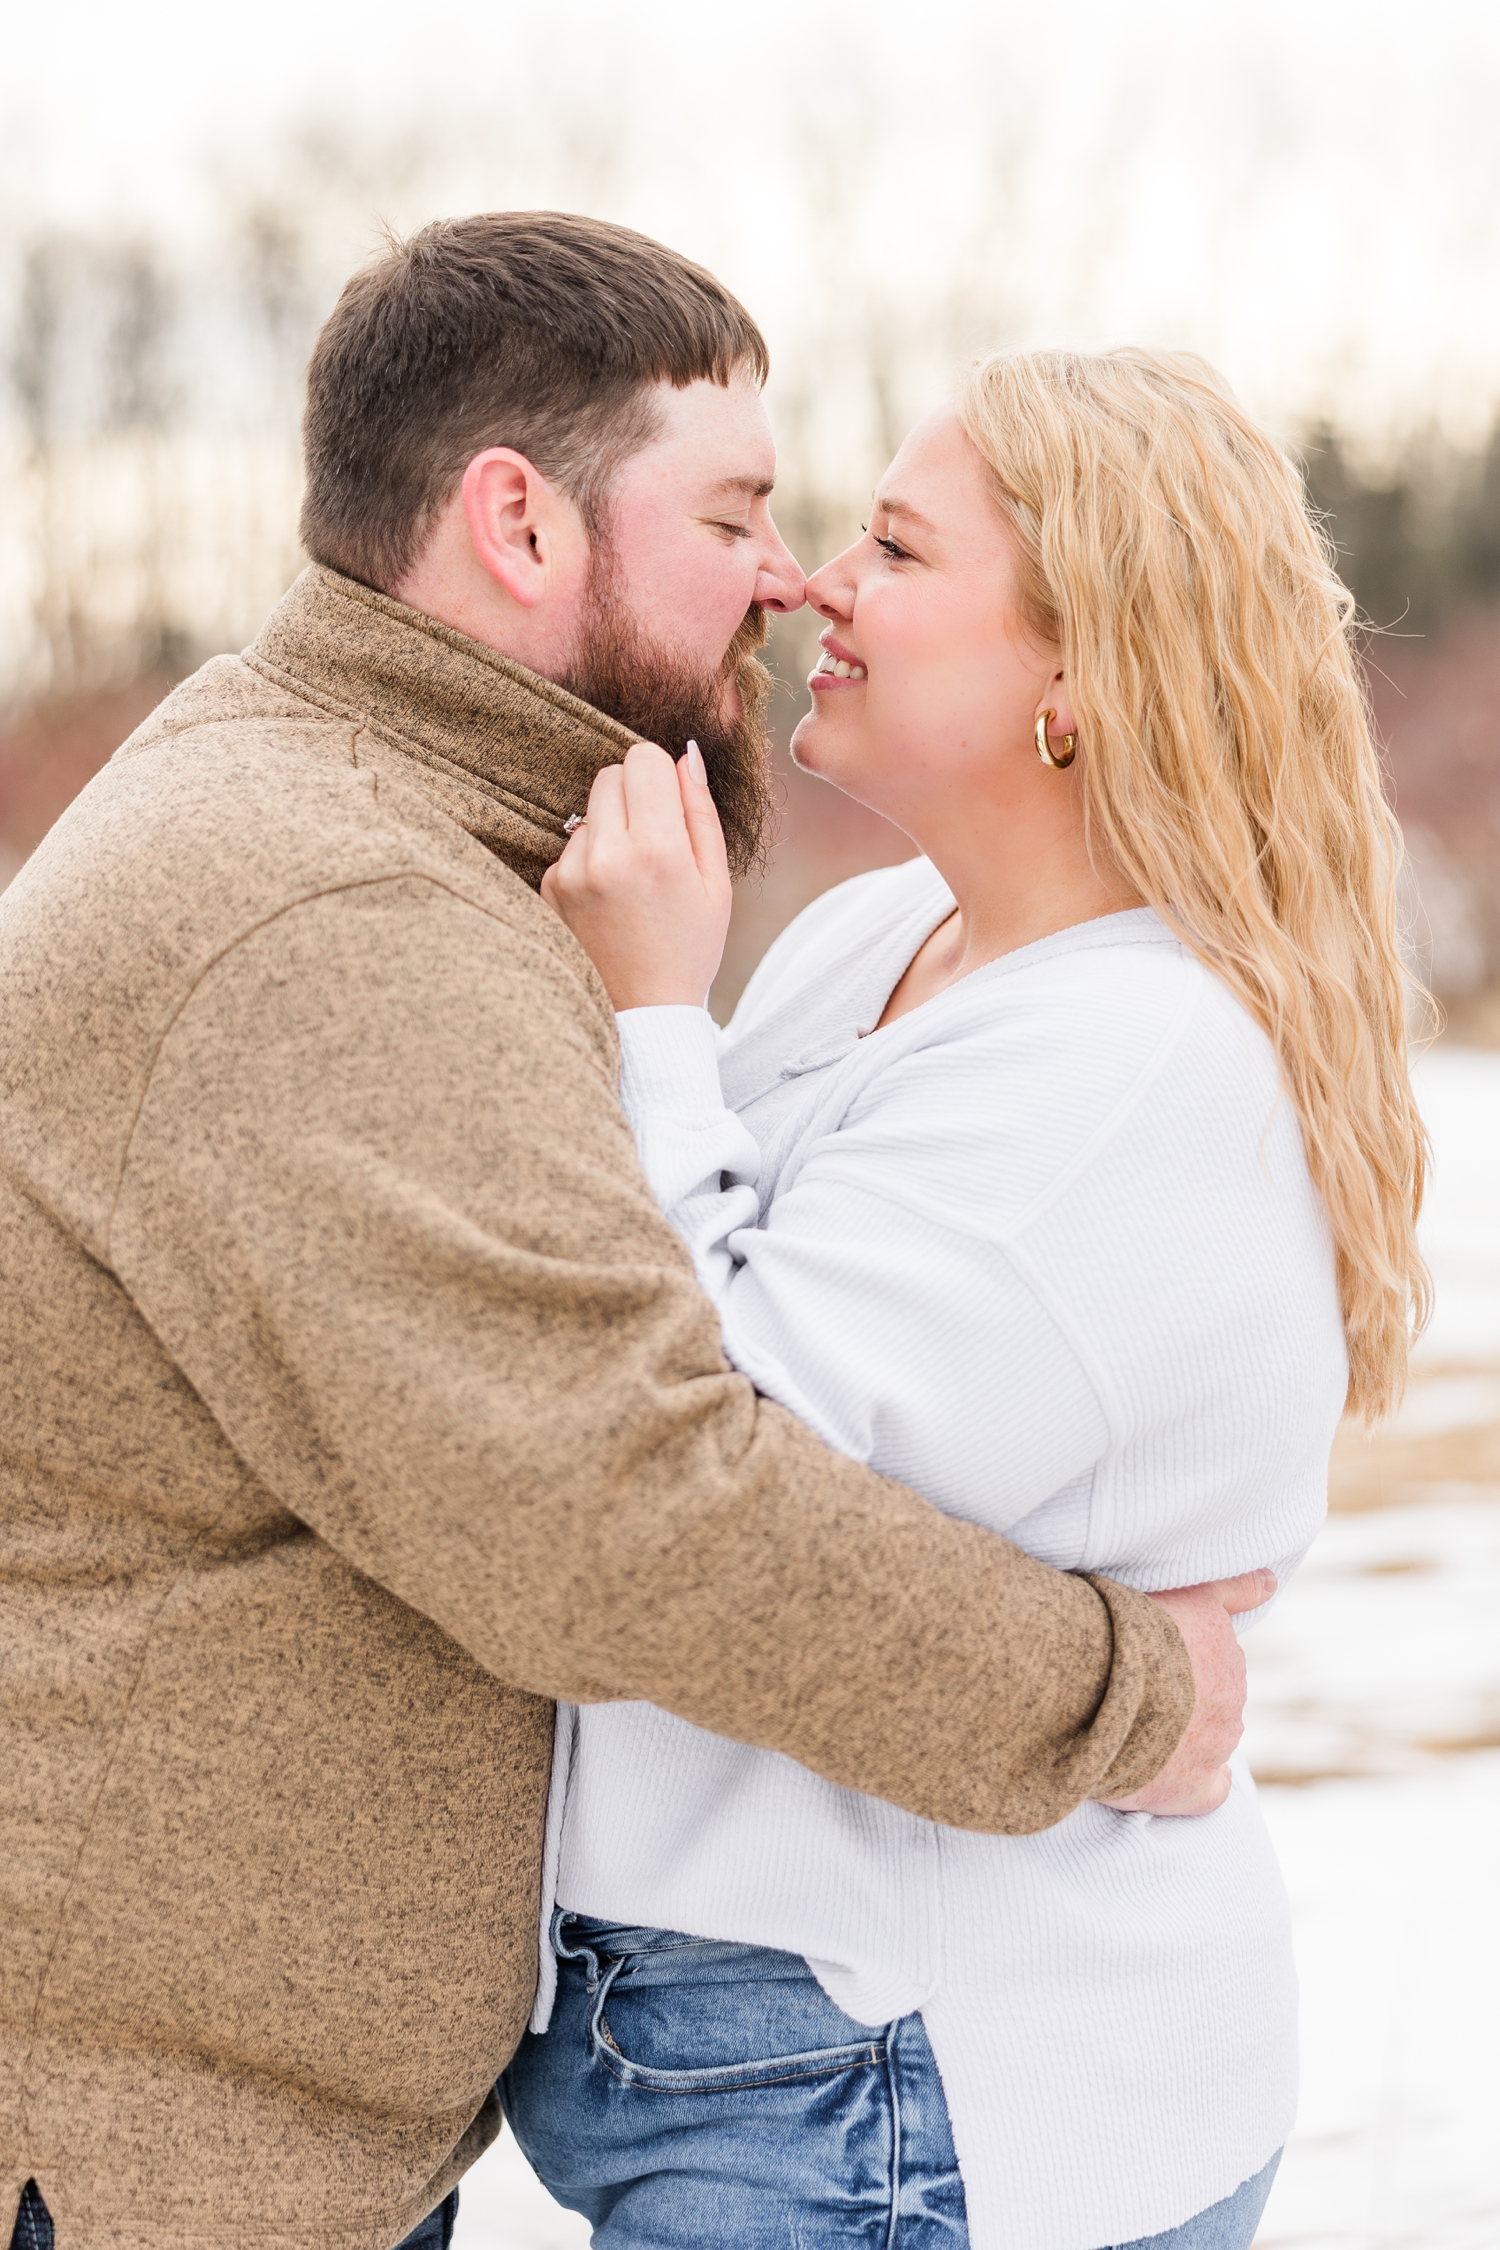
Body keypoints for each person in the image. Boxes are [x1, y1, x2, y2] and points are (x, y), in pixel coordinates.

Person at [0, 222, 1257, 2250]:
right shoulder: (342, 912)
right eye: (736, 513)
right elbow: (630, 1511)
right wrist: (1129, 1694)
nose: (786, 577)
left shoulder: (366, 817)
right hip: (136, 2158)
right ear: (519, 522)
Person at [506, 348, 1429, 2249]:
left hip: (912, 2079)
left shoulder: (1133, 1061)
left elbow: (706, 1457)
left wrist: (656, 1017)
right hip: (772, 2045)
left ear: (1076, 675)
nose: (815, 582)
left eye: (900, 549)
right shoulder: (873, 938)